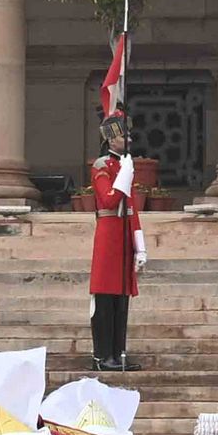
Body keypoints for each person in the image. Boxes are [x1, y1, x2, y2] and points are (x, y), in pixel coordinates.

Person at [84, 115, 145, 371]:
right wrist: (123, 177)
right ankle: (102, 356)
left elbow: (131, 208)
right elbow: (109, 199)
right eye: (123, 135)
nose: (128, 139)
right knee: (106, 297)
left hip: (123, 234)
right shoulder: (102, 165)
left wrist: (140, 245)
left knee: (121, 299)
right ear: (110, 139)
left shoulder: (124, 165)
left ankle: (118, 354)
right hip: (108, 235)